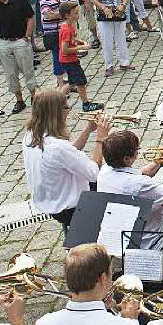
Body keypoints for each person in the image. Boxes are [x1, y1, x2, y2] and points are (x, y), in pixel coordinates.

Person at [23, 87, 106, 232]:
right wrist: (100, 138)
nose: (68, 110)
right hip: (72, 208)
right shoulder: (58, 147)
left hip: (50, 201)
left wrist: (88, 130)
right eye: (66, 107)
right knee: (112, 180)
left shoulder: (29, 136)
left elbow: (67, 154)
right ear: (57, 113)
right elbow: (94, 173)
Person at [98, 132, 163, 249]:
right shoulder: (140, 185)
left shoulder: (104, 171)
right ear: (127, 159)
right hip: (151, 240)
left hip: (125, 231)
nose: (138, 152)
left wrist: (159, 160)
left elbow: (141, 173)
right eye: (136, 150)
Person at [0, 0, 36, 114]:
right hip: (3, 42)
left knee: (28, 70)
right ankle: (19, 100)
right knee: (10, 73)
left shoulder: (20, 0)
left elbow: (30, 17)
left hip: (21, 40)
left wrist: (27, 35)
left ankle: (34, 96)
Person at [59, 1, 102, 111]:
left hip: (70, 59)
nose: (78, 15)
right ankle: (86, 104)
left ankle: (58, 101)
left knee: (72, 82)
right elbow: (65, 49)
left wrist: (80, 41)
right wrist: (80, 48)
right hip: (69, 60)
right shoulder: (66, 30)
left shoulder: (70, 26)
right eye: (75, 13)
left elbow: (72, 39)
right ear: (67, 15)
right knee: (81, 81)